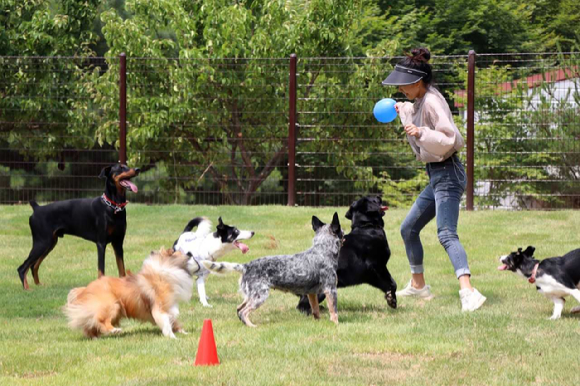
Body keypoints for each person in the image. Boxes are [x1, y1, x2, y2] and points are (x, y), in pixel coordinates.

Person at [381, 47, 486, 312]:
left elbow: (449, 138)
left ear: (417, 82)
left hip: (448, 173)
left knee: (446, 233)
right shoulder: (421, 100)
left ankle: (469, 292)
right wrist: (402, 109)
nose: (401, 90)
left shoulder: (433, 101)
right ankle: (419, 286)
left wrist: (421, 132)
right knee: (408, 229)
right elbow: (413, 111)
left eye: (404, 86)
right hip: (437, 175)